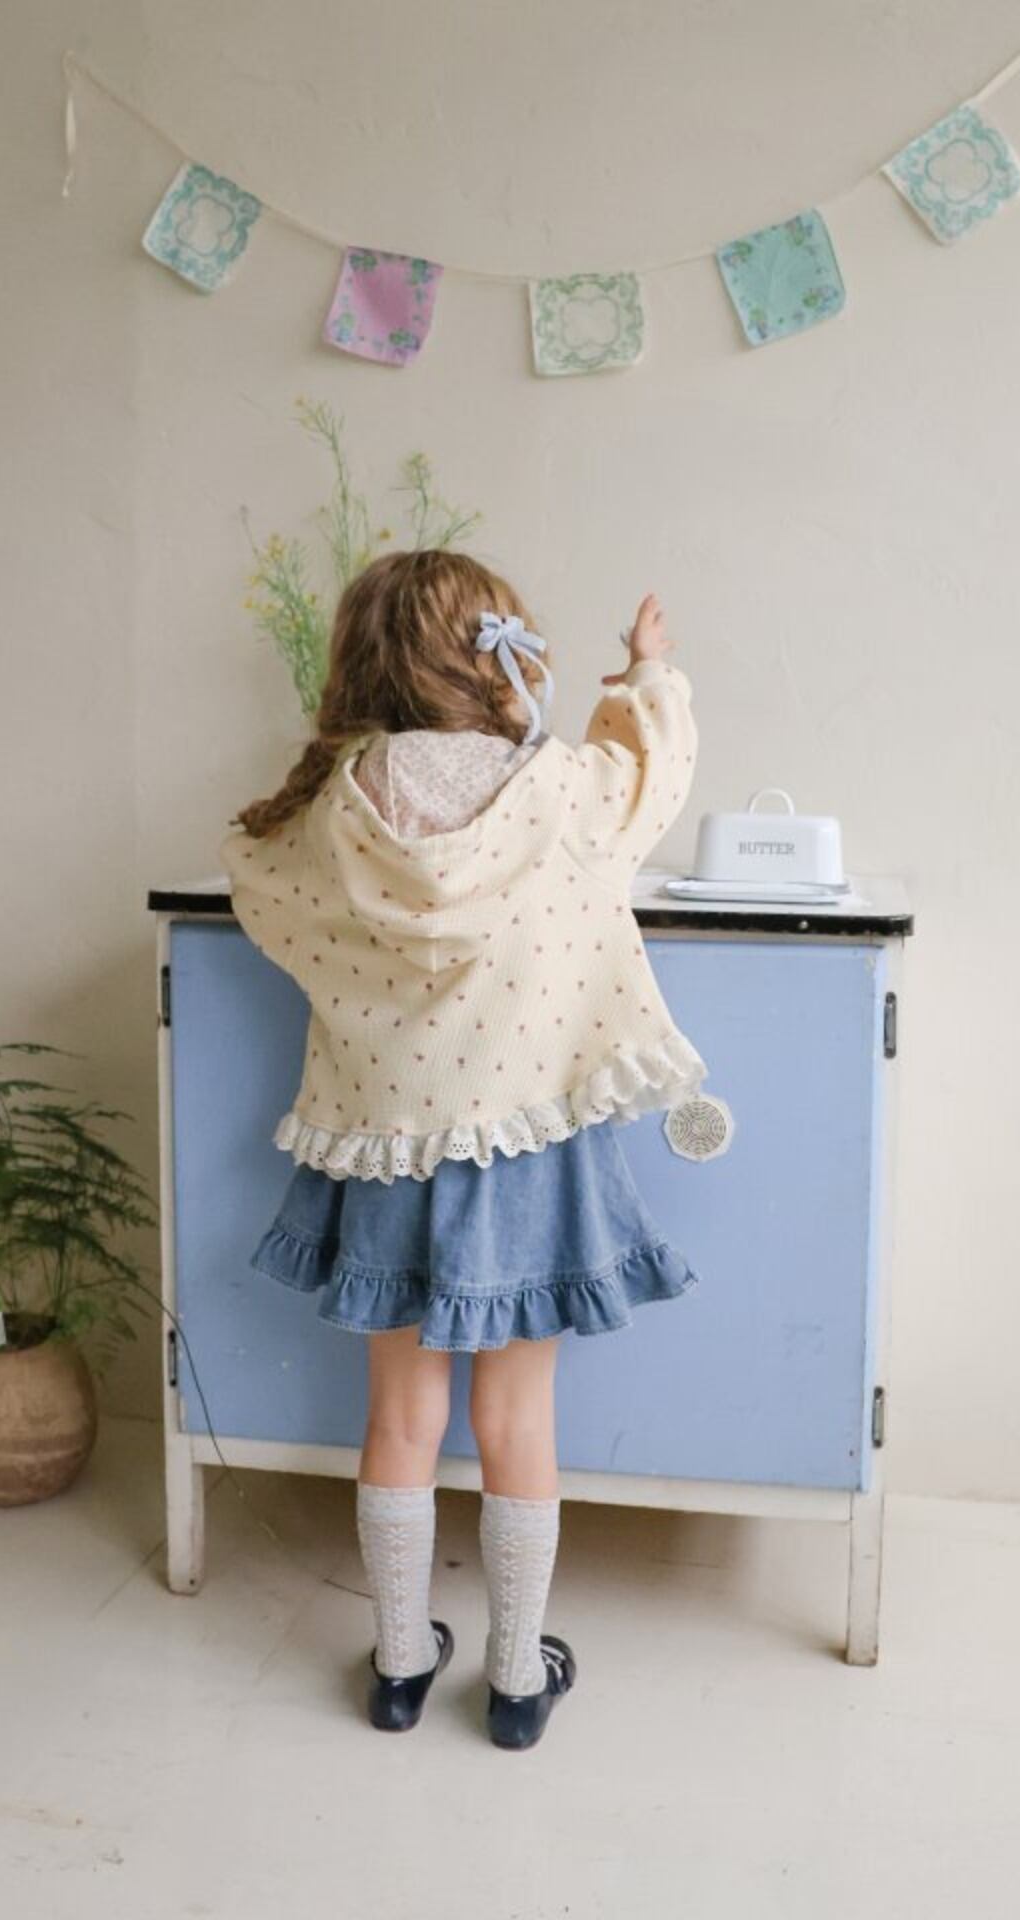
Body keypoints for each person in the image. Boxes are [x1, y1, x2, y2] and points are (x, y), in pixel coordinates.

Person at [220, 548, 708, 1750]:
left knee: (397, 1416)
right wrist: (642, 677)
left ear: (363, 660)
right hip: (530, 1148)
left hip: (386, 1149)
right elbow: (651, 781)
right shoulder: (557, 788)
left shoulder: (335, 805)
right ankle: (515, 1679)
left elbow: (260, 888)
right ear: (497, 654)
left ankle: (398, 1665)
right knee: (516, 1420)